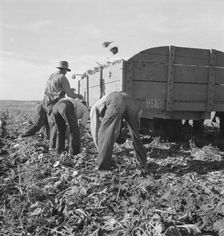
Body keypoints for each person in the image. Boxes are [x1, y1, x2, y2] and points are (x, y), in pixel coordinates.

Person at [90, 91, 147, 170]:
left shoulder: (94, 108)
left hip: (116, 100)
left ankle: (103, 166)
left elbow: (95, 131)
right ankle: (142, 162)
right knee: (135, 133)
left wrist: (100, 149)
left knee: (104, 132)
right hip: (130, 100)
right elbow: (115, 127)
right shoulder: (105, 103)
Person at [42, 61, 83, 155]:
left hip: (47, 102)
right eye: (66, 70)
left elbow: (48, 90)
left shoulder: (51, 76)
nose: (66, 72)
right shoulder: (62, 78)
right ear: (64, 69)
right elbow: (69, 94)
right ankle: (73, 153)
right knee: (72, 128)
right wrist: (78, 96)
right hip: (57, 103)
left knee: (57, 127)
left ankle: (57, 150)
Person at [21, 99, 90, 140]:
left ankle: (48, 140)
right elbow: (80, 128)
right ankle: (24, 135)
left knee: (48, 129)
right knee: (38, 125)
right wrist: (77, 139)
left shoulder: (78, 109)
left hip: (52, 109)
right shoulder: (85, 112)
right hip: (43, 107)